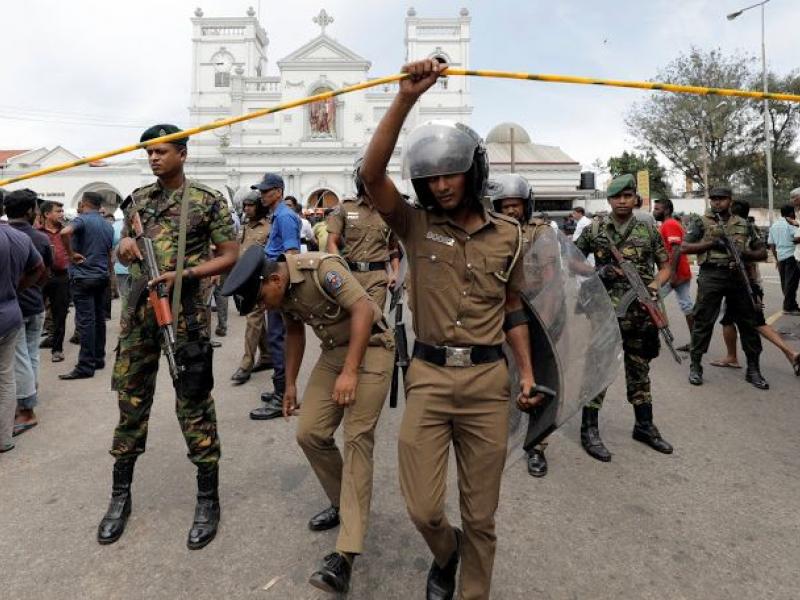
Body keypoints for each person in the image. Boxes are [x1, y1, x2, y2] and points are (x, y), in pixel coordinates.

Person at [361, 58, 543, 600]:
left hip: (488, 384)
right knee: (422, 508)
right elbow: (371, 176)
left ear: (474, 172)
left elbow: (513, 308)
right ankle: (446, 552)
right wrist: (405, 97)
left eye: (451, 173)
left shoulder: (510, 235)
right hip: (429, 378)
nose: (440, 186)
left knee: (481, 516)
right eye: (431, 177)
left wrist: (527, 374)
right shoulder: (414, 225)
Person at [97, 123, 238, 549]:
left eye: (161, 151)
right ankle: (120, 496)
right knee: (130, 403)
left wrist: (187, 274)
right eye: (149, 153)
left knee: (194, 403)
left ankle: (208, 498)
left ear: (183, 153)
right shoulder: (138, 200)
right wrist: (123, 246)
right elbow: (125, 247)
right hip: (139, 317)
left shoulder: (206, 201)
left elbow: (230, 256)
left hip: (186, 317)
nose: (154, 158)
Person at [222, 247, 393, 594]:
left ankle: (345, 555)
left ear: (274, 279)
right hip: (334, 353)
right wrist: (289, 385)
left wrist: (350, 372)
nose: (263, 307)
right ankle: (344, 503)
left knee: (357, 439)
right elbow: (295, 332)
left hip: (371, 347)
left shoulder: (321, 269)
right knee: (310, 433)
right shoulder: (280, 291)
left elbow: (363, 309)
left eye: (261, 299)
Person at [574, 174, 673, 462]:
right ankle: (589, 429)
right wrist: (597, 271)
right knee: (598, 370)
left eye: (627, 196)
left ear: (635, 199)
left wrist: (654, 286)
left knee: (639, 370)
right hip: (604, 313)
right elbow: (571, 259)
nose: (622, 201)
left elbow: (665, 266)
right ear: (608, 200)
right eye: (616, 196)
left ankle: (644, 426)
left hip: (640, 314)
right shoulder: (595, 228)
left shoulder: (648, 228)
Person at [487, 173, 557, 478]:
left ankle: (537, 445)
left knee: (536, 380)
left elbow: (551, 279)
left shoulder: (541, 232)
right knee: (502, 374)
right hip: (502, 312)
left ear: (526, 205)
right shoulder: (491, 231)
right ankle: (507, 430)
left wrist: (548, 322)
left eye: (516, 204)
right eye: (505, 205)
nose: (511, 210)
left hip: (537, 312)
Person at [682, 186, 769, 389]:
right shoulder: (700, 222)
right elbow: (684, 247)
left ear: (730, 200)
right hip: (712, 275)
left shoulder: (744, 224)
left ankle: (753, 369)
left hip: (739, 277)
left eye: (721, 198)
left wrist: (744, 254)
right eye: (714, 199)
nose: (717, 202)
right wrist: (712, 244)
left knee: (748, 322)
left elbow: (762, 252)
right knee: (703, 321)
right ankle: (695, 366)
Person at [711, 200, 800, 375]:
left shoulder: (740, 233)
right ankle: (733, 356)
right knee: (736, 321)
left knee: (754, 323)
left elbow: (749, 262)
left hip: (745, 286)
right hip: (750, 285)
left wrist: (753, 290)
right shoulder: (752, 230)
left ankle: (791, 353)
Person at [249, 173, 301, 421]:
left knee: (278, 339)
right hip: (274, 282)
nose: (261, 195)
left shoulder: (285, 216)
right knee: (275, 337)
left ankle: (282, 395)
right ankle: (280, 388)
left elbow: (291, 254)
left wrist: (283, 292)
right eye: (260, 191)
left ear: (278, 191)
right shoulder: (277, 215)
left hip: (279, 286)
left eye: (265, 191)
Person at [4, 190, 52, 436]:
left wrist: (15, 288)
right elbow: (45, 271)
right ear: (30, 211)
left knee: (19, 358)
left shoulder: (10, 235)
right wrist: (31, 289)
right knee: (30, 355)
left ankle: (26, 406)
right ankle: (29, 395)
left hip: (15, 307)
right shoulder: (39, 238)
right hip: (34, 303)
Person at [326, 157, 400, 312]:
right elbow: (331, 242)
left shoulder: (389, 211)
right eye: (368, 178)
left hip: (378, 278)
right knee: (352, 320)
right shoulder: (345, 208)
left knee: (374, 319)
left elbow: (393, 248)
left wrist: (395, 273)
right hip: (350, 276)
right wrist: (340, 270)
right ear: (360, 181)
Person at [58, 191, 114, 380]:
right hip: (101, 277)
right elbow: (109, 253)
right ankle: (98, 358)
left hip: (83, 277)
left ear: (83, 204)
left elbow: (64, 232)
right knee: (98, 319)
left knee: (86, 322)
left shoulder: (82, 219)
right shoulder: (107, 225)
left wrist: (70, 254)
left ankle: (85, 365)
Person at [231, 191, 272, 384]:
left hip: (260, 281)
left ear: (260, 207)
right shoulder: (244, 227)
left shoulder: (269, 227)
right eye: (245, 205)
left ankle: (246, 363)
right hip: (244, 280)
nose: (247, 209)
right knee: (256, 318)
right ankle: (267, 355)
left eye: (251, 205)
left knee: (253, 318)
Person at [653, 198, 694, 350]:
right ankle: (696, 342)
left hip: (673, 272)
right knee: (686, 305)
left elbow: (676, 249)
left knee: (651, 300)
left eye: (657, 209)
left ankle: (654, 337)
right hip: (676, 271)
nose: (654, 212)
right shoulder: (667, 224)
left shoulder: (669, 224)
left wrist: (673, 274)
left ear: (667, 211)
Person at [37, 201, 70, 362]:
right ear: (46, 214)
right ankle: (31, 346)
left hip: (61, 277)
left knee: (60, 314)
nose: (61, 214)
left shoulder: (66, 232)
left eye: (62, 211)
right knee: (35, 312)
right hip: (39, 277)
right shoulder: (36, 233)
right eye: (58, 211)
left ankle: (57, 349)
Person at [767, 204, 800, 314]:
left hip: (780, 256)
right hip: (791, 255)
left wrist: (777, 259)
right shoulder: (791, 225)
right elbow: (797, 238)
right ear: (791, 213)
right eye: (794, 212)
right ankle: (789, 307)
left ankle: (790, 304)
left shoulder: (774, 226)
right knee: (791, 283)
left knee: (785, 282)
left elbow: (772, 244)